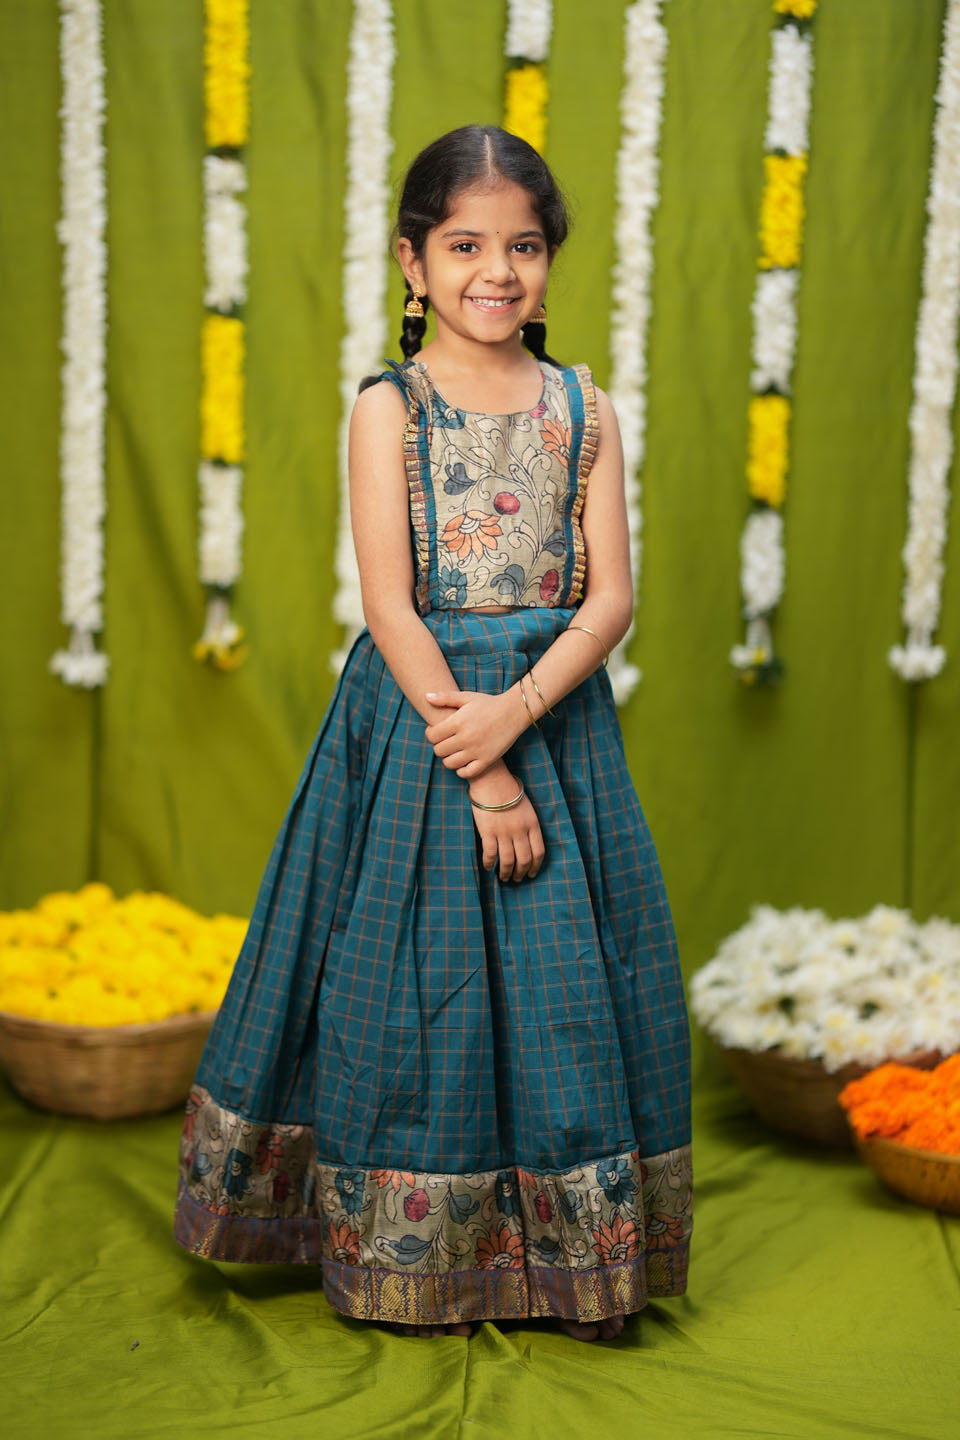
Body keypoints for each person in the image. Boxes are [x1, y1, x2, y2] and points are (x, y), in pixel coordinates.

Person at [173, 123, 693, 1343]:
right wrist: (485, 764)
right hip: (421, 730)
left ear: (550, 259)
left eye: (524, 245)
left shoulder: (585, 409)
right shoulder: (389, 409)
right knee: (411, 990)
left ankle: (574, 1261)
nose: (495, 271)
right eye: (464, 245)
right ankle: (408, 1255)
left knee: (567, 993)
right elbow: (390, 606)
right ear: (413, 262)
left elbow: (611, 599)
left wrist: (520, 715)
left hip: (556, 724)